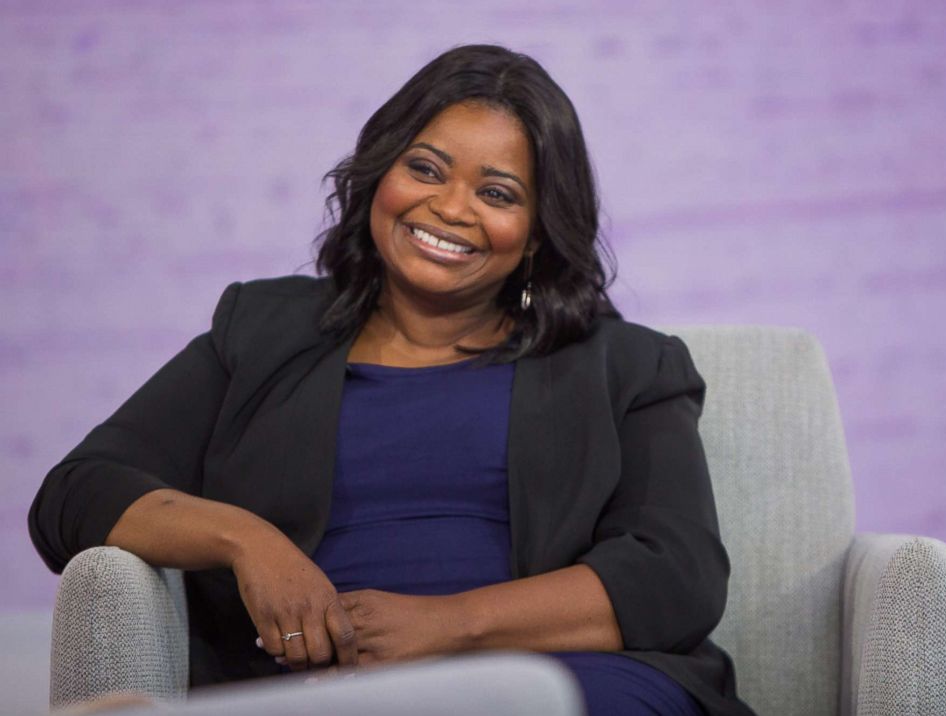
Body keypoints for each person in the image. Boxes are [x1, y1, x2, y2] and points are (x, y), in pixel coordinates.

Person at [29, 44, 756, 716]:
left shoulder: (625, 364)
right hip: (316, 687)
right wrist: (248, 540)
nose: (450, 207)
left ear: (536, 233)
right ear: (381, 173)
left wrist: (451, 628)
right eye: (427, 169)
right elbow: (78, 492)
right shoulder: (262, 330)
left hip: (560, 679)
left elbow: (677, 574)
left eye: (497, 194)